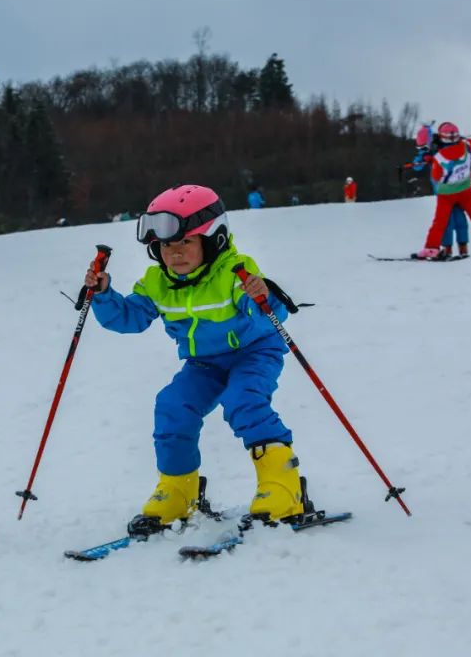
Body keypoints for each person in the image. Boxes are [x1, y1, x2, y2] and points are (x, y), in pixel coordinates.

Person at [84, 184, 305, 535]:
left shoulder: (235, 271)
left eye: (185, 242)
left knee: (243, 401)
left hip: (253, 353)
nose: (175, 253)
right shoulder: (157, 282)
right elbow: (129, 319)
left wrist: (262, 297)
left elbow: (265, 313)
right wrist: (104, 295)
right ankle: (177, 490)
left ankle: (283, 485)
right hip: (204, 363)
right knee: (172, 406)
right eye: (167, 245)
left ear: (213, 239)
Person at [411, 121, 471, 260]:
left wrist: (428, 158)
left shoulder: (438, 156)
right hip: (465, 191)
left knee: (440, 222)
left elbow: (436, 177)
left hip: (446, 194)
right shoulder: (466, 145)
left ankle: (432, 248)